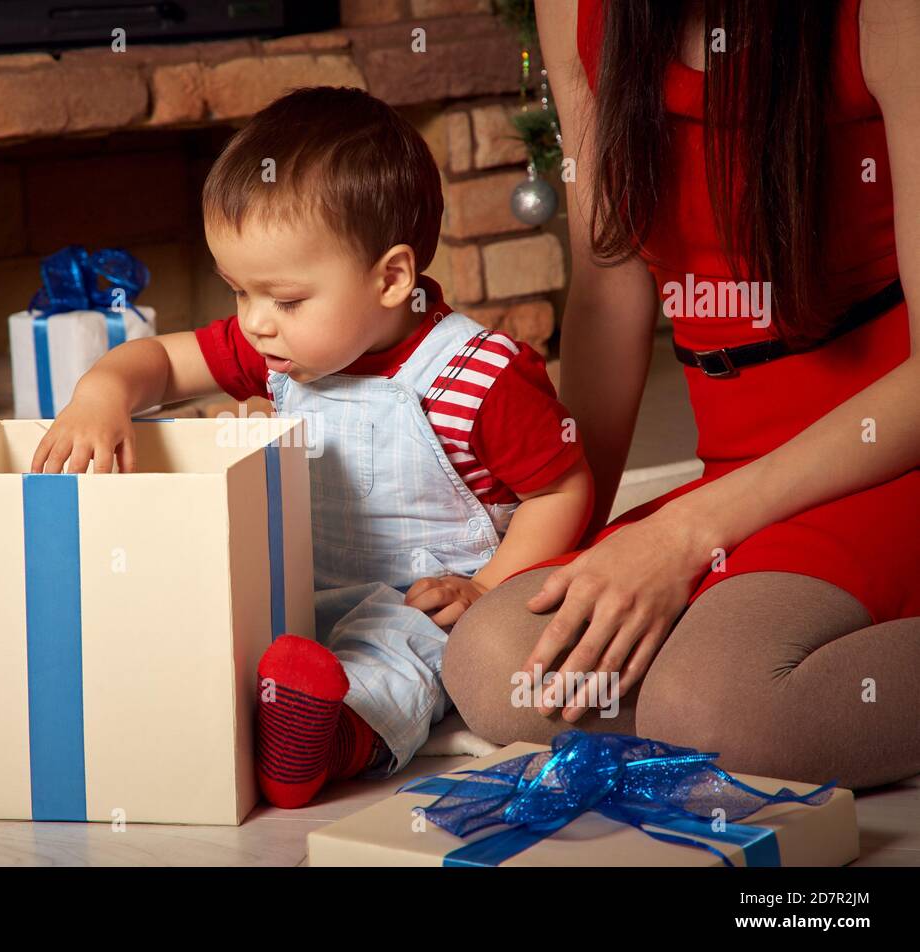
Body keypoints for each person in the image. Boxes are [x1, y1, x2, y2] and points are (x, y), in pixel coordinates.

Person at [29, 86, 593, 808]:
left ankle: (325, 742)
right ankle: (26, 664)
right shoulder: (277, 350)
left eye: (286, 300)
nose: (257, 323)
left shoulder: (480, 376)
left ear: (391, 278)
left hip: (423, 598)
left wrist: (487, 590)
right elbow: (163, 364)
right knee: (196, 611)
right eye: (239, 292)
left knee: (400, 657)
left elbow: (561, 488)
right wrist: (101, 394)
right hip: (295, 581)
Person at [443, 0, 920, 790]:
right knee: (502, 665)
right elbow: (606, 295)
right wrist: (569, 543)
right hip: (730, 467)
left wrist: (684, 537)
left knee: (718, 712)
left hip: (881, 456)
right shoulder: (576, 9)